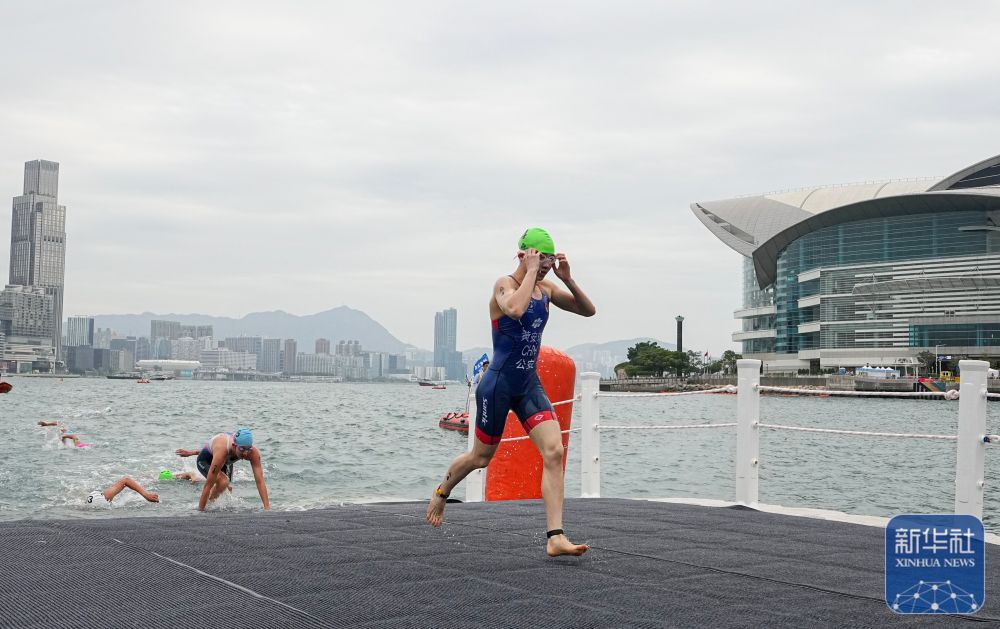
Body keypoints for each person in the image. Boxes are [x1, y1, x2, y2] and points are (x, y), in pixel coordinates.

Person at [426, 227, 596, 557]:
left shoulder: (546, 289)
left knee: (554, 452)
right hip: (498, 383)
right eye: (539, 258)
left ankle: (555, 536)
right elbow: (515, 310)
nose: (545, 265)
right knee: (481, 457)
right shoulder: (504, 285)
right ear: (523, 255)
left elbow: (588, 311)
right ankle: (442, 491)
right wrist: (531, 271)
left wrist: (569, 279)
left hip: (528, 383)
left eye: (549, 258)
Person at [175, 427, 270, 511]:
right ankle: (207, 502)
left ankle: (210, 502)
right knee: (223, 481)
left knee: (228, 488)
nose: (245, 453)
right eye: (242, 449)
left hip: (224, 461)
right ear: (234, 445)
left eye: (248, 449)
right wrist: (201, 511)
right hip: (205, 460)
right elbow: (207, 486)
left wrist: (267, 509)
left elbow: (260, 481)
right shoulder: (222, 450)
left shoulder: (252, 453)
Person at [86, 476, 159, 507]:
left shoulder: (105, 497)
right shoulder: (104, 499)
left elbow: (126, 480)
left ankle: (149, 479)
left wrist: (146, 495)